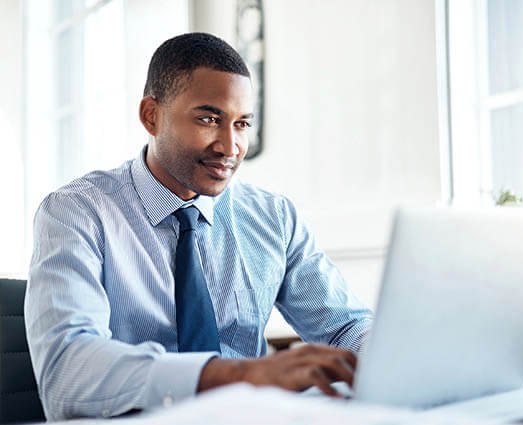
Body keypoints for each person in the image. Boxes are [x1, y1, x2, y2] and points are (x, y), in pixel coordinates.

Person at [25, 33, 373, 421]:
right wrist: (240, 375)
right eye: (209, 119)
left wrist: (388, 354)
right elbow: (67, 369)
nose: (230, 146)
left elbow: (345, 327)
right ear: (151, 116)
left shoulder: (273, 218)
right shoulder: (77, 212)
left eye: (241, 124)